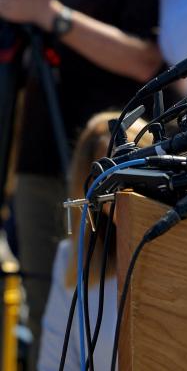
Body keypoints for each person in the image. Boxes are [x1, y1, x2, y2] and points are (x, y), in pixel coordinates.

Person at [0, 0, 182, 364]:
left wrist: (53, 17)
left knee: (113, 305)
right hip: (41, 151)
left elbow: (150, 57)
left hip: (112, 159)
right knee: (44, 299)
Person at [37, 110, 149, 371]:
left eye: (132, 177)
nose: (123, 196)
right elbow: (55, 364)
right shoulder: (72, 258)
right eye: (107, 188)